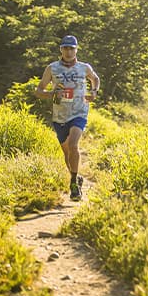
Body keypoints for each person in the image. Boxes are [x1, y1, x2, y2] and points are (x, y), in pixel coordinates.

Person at [34, 35, 100, 201]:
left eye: (72, 48)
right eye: (66, 48)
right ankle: (75, 176)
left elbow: (95, 78)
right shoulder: (52, 68)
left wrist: (93, 91)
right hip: (59, 115)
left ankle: (73, 184)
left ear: (76, 50)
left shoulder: (84, 67)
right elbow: (39, 90)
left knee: (73, 144)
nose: (69, 51)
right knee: (66, 152)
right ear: (61, 49)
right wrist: (51, 94)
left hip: (79, 111)